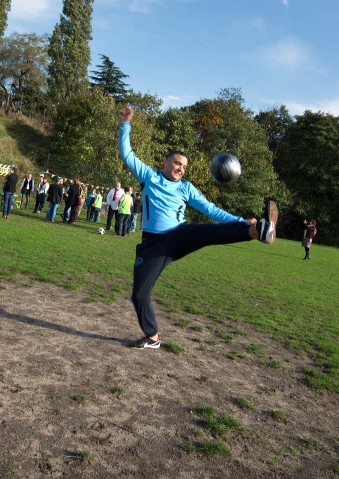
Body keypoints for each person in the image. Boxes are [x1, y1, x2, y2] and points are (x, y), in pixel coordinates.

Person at [118, 106, 277, 349]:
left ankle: (256, 231)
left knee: (205, 232)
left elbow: (210, 209)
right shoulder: (149, 176)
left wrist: (240, 220)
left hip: (179, 234)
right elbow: (126, 153)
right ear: (166, 161)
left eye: (184, 167)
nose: (181, 169)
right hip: (153, 245)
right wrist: (125, 124)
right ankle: (152, 336)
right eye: (177, 163)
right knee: (138, 295)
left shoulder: (186, 188)